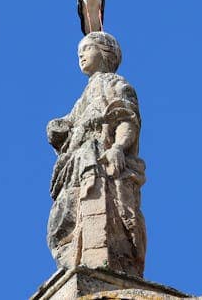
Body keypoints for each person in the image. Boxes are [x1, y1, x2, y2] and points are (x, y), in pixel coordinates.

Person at [46, 31, 146, 276]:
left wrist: (118, 148)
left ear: (105, 53)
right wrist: (59, 128)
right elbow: (70, 125)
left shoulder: (114, 84)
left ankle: (98, 263)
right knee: (62, 219)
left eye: (87, 48)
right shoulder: (84, 97)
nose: (80, 55)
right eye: (79, 51)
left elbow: (126, 118)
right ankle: (74, 261)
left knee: (103, 211)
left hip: (101, 160)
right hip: (77, 165)